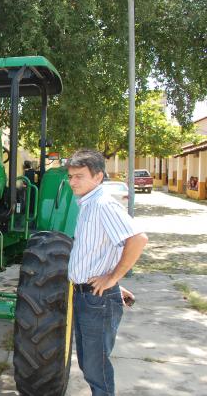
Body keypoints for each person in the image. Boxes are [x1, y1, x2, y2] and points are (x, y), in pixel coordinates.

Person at [67, 149, 148, 396]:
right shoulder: (88, 204)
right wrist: (113, 280)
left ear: (98, 176)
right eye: (70, 176)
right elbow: (100, 250)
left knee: (96, 366)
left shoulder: (103, 205)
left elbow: (138, 239)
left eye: (79, 176)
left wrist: (112, 279)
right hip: (89, 295)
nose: (72, 182)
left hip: (97, 300)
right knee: (89, 363)